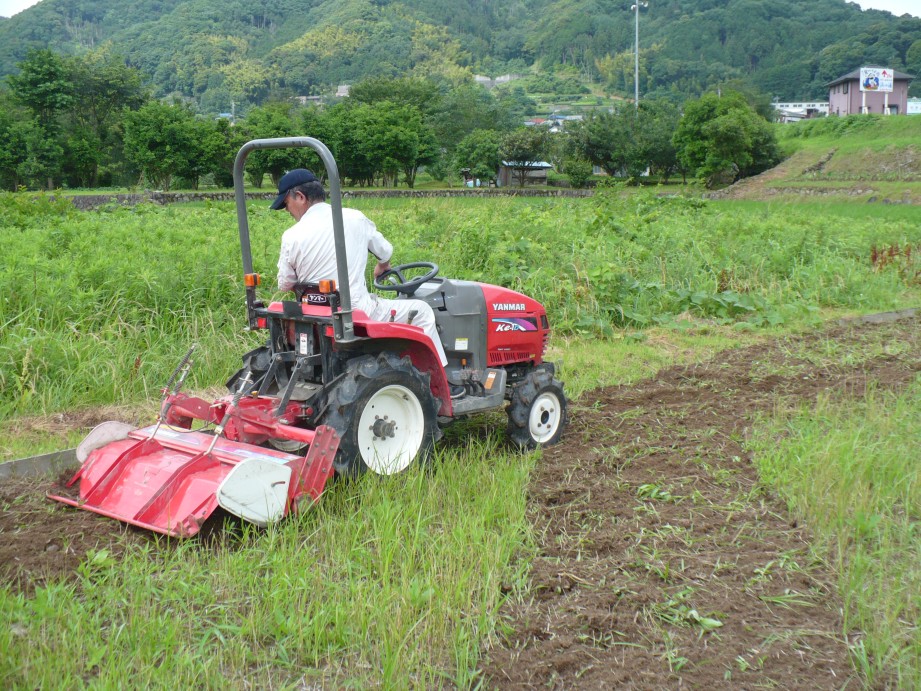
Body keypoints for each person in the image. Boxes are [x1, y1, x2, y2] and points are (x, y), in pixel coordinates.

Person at [272, 169, 450, 371]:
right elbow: (385, 251)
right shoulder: (355, 218)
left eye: (286, 204)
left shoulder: (291, 235)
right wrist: (383, 265)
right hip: (355, 312)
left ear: (301, 197)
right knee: (423, 311)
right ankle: (440, 379)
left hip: (314, 317)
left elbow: (285, 283)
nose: (287, 210)